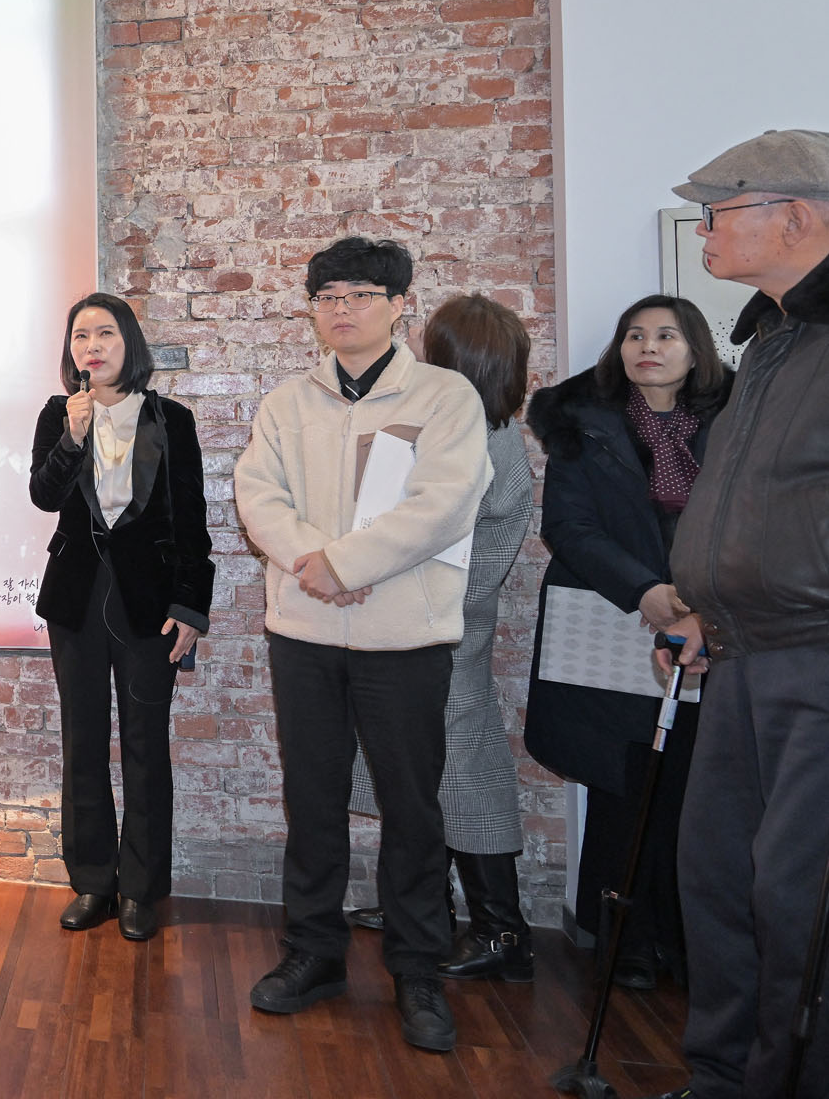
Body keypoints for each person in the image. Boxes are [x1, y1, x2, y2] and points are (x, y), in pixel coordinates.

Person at [234, 236, 490, 1053]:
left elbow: (443, 504)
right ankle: (314, 951)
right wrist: (316, 565)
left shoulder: (445, 397)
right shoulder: (287, 402)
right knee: (312, 799)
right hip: (305, 633)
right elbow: (257, 494)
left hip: (403, 636)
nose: (341, 310)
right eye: (327, 297)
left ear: (399, 306)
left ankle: (417, 967)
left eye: (360, 295)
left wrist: (344, 564)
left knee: (411, 807)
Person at [650, 130, 829, 1099]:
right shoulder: (770, 339)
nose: (705, 230)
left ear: (796, 215)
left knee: (798, 901)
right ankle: (721, 1078)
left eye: (720, 211)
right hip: (740, 649)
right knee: (718, 879)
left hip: (815, 656)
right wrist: (708, 606)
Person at [524, 294, 728, 992]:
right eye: (635, 335)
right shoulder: (584, 423)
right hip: (615, 621)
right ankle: (625, 942)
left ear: (695, 350)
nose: (649, 347)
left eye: (667, 335)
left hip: (712, 626)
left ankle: (688, 943)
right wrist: (646, 592)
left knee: (696, 788)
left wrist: (697, 600)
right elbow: (568, 527)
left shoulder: (735, 423)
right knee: (624, 785)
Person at [348, 295, 538, 982]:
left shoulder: (486, 443)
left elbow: (460, 554)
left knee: (462, 776)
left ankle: (502, 932)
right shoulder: (456, 431)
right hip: (419, 625)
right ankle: (421, 908)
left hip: (447, 633)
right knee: (415, 773)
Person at [28, 292, 213, 941]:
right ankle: (92, 881)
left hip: (149, 604)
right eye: (81, 336)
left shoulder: (171, 419)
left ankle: (140, 888)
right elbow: (43, 495)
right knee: (82, 741)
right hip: (76, 599)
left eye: (105, 333)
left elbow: (191, 520)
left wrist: (191, 605)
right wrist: (72, 439)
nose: (92, 346)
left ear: (128, 342)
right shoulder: (58, 415)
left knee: (144, 744)